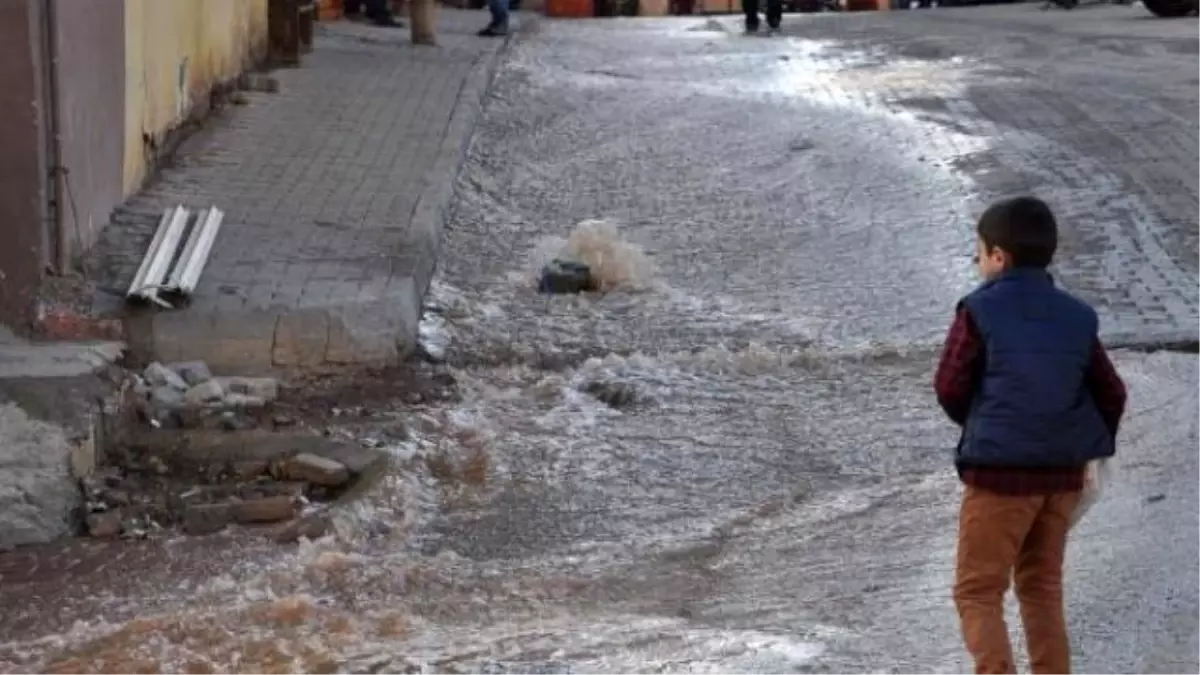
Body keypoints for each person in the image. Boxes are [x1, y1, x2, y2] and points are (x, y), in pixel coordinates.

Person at [934, 196, 1127, 675]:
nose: (977, 260)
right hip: (1060, 476)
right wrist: (1077, 445)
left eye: (978, 251)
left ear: (999, 256)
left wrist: (984, 424)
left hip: (999, 475)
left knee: (978, 590)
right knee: (1041, 588)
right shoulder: (1078, 316)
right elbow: (1111, 392)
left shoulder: (978, 310)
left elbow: (950, 384)